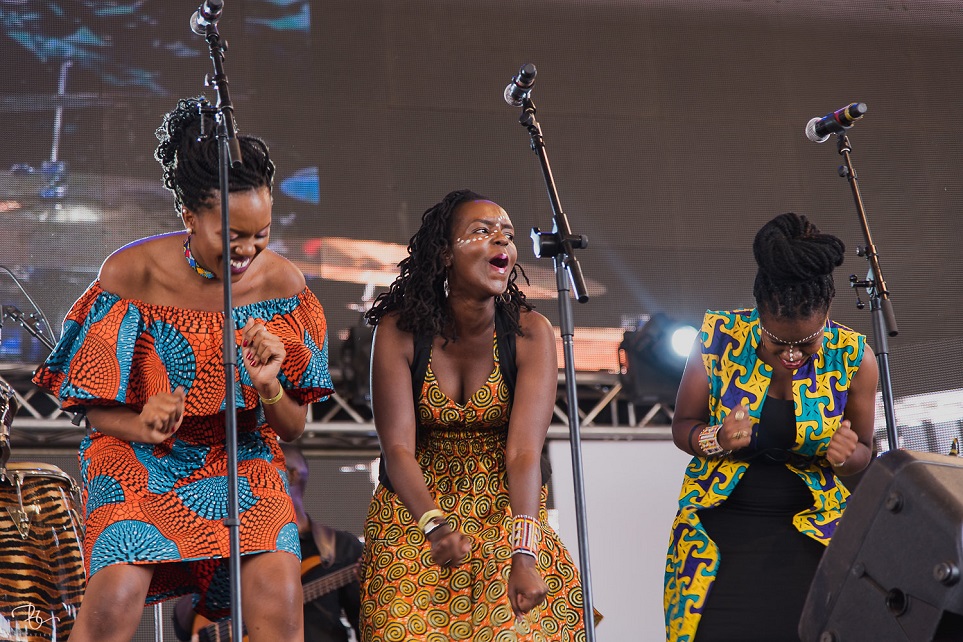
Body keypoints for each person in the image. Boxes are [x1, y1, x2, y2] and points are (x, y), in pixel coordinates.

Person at [31, 97, 334, 642]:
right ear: (190, 217)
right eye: (232, 235)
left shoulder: (283, 286)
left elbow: (293, 429)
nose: (248, 251)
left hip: (240, 456)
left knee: (279, 605)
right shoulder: (131, 274)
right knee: (113, 607)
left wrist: (268, 389)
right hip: (141, 457)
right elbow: (94, 408)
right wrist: (142, 424)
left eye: (260, 234)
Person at [358, 189, 586, 641]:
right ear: (444, 254)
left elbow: (523, 453)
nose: (501, 242)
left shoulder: (530, 333)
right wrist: (434, 526)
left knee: (522, 631)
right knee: (400, 631)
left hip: (504, 508)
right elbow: (397, 447)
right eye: (482, 232)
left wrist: (524, 554)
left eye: (508, 234)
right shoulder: (400, 331)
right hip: (414, 510)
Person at [663, 212, 879, 642]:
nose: (793, 357)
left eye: (808, 345)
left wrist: (847, 454)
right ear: (759, 312)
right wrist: (717, 438)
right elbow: (683, 425)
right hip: (717, 528)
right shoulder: (717, 337)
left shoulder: (856, 358)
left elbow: (863, 453)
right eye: (778, 344)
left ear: (828, 313)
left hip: (814, 535)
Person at [171, 443, 363, 642]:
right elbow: (185, 623)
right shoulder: (234, 544)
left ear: (292, 475)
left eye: (261, 471)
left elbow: (361, 619)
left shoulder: (340, 546)